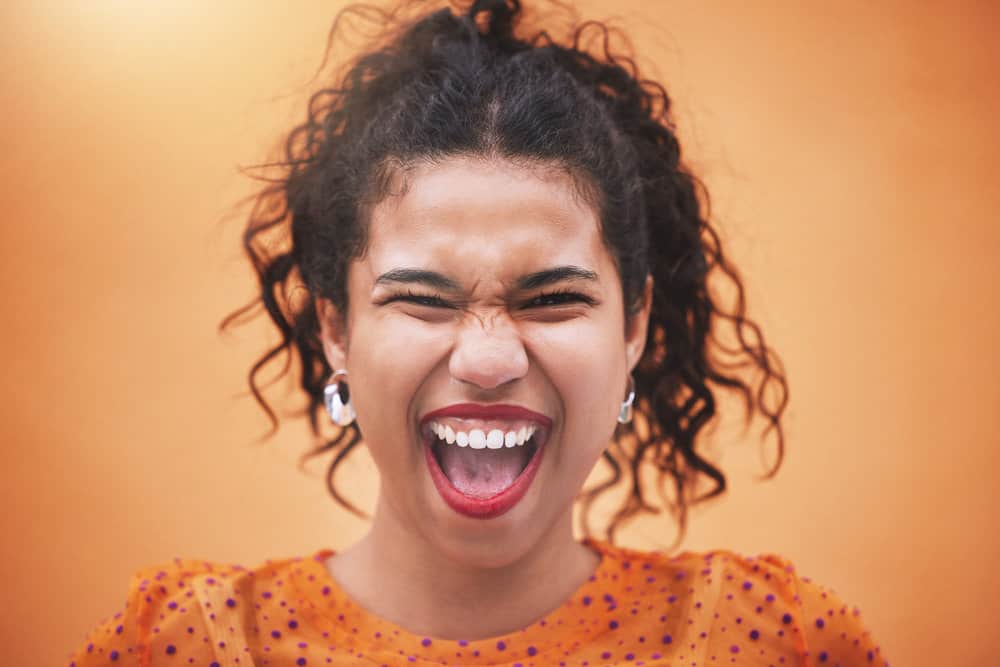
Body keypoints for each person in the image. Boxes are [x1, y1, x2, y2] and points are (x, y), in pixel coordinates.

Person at [68, 1, 890, 665]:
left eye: (552, 299)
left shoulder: (780, 641)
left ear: (634, 325)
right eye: (424, 299)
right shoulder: (177, 644)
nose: (490, 359)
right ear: (337, 330)